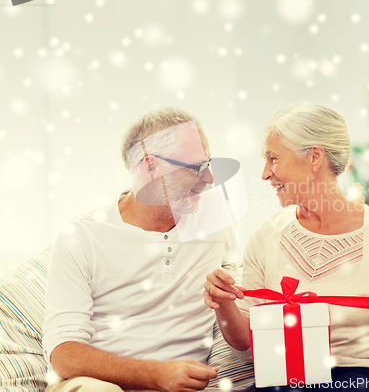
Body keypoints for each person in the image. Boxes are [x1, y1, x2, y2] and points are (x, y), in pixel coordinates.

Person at [204, 101, 369, 391]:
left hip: (363, 380)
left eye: (274, 159)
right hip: (288, 380)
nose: (264, 173)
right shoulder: (265, 237)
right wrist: (223, 304)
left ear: (314, 157)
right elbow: (247, 347)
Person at [43, 107, 241, 392]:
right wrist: (156, 375)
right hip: (99, 384)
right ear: (150, 167)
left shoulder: (216, 217)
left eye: (209, 163)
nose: (209, 178)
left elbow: (242, 311)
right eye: (196, 167)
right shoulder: (82, 236)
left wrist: (225, 299)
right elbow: (63, 354)